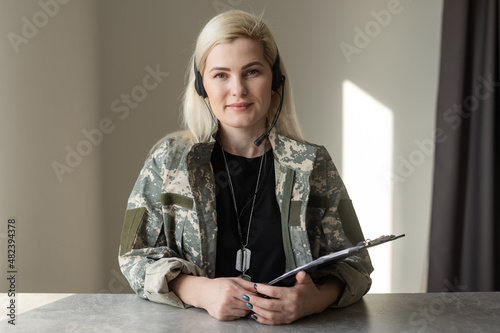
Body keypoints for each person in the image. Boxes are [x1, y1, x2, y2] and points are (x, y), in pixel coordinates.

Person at [118, 10, 373, 325]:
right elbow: (135, 260)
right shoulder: (168, 162)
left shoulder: (311, 164)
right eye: (221, 75)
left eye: (252, 71)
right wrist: (199, 291)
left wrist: (312, 301)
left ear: (275, 79)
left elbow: (356, 267)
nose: (237, 89)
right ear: (202, 86)